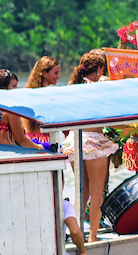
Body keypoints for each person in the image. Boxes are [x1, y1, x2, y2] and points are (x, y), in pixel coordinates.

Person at [61, 52, 114, 243]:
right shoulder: (101, 85)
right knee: (96, 190)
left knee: (80, 190)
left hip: (75, 140)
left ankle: (75, 233)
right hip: (93, 142)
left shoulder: (72, 87)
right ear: (99, 69)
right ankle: (92, 236)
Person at [0, 70, 43, 149]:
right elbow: (21, 140)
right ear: (4, 89)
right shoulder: (10, 111)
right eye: (14, 86)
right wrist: (40, 148)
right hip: (7, 152)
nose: (16, 89)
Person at [23, 56, 61, 148]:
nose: (58, 76)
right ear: (44, 73)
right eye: (56, 73)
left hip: (29, 140)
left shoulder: (28, 93)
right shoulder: (51, 94)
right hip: (46, 141)